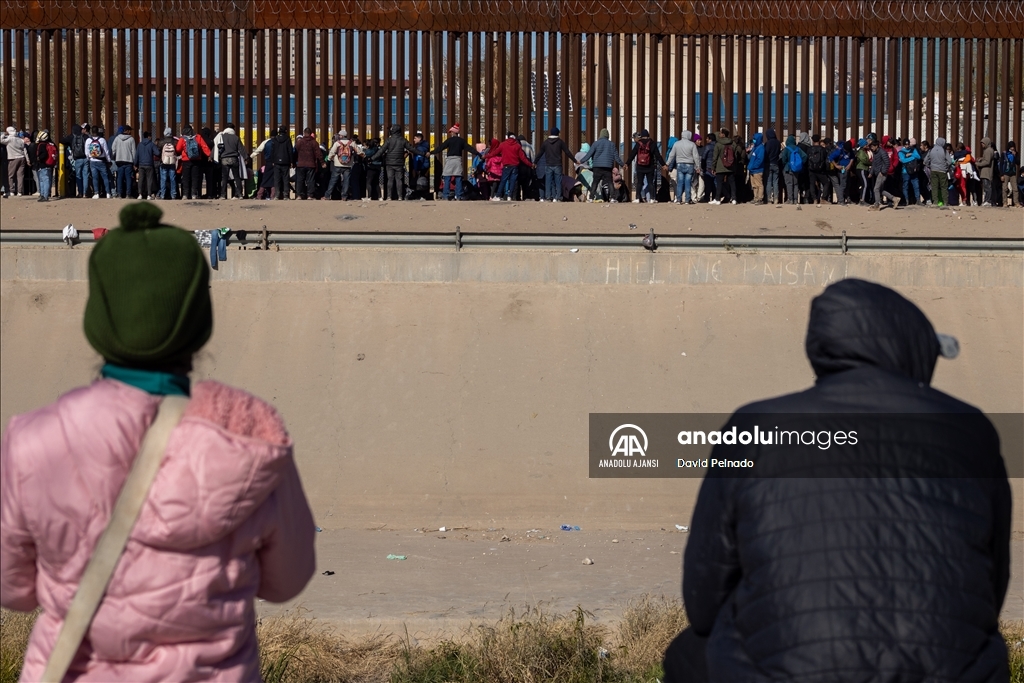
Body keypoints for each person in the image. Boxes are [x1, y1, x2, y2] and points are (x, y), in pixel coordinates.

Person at [0, 202, 316, 681]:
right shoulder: (252, 437)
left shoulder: (32, 440)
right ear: (198, 323)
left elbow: (14, 589)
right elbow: (287, 580)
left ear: (99, 320)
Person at [663, 278, 1011, 683]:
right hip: (950, 673)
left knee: (692, 652)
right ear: (913, 348)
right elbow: (993, 587)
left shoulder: (755, 425)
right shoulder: (972, 430)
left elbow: (703, 601)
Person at [574, 129, 622, 203]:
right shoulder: (612, 144)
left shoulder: (596, 143)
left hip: (597, 166)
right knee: (610, 182)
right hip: (608, 167)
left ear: (600, 135)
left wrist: (581, 161)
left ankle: (591, 198)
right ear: (607, 136)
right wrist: (622, 164)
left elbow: (589, 154)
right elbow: (616, 157)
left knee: (595, 182)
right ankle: (612, 198)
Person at [373, 124, 418, 201]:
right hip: (399, 163)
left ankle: (389, 196)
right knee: (399, 180)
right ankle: (400, 196)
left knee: (390, 180)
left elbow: (381, 151)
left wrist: (372, 158)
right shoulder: (403, 140)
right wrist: (423, 153)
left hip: (389, 163)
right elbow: (412, 149)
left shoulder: (389, 140)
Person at [486, 131, 535, 201]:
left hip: (506, 165)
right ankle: (510, 196)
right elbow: (523, 158)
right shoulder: (517, 146)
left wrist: (485, 156)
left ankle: (498, 196)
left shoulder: (503, 144)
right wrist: (530, 165)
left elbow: (495, 153)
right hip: (515, 166)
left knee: (503, 181)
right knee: (513, 181)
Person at [430, 123, 474, 201]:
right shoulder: (461, 141)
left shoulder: (449, 140)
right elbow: (470, 148)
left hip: (450, 160)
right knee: (458, 178)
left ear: (453, 132)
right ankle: (459, 196)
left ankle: (445, 195)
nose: (450, 133)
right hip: (458, 160)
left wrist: (431, 152)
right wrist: (478, 154)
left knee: (447, 177)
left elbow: (440, 148)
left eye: (451, 132)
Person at [625, 129, 666, 203]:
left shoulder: (638, 143)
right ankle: (652, 198)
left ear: (642, 136)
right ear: (648, 135)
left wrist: (627, 163)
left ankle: (637, 198)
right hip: (650, 166)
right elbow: (658, 155)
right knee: (650, 182)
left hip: (640, 166)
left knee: (639, 183)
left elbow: (632, 154)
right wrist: (663, 164)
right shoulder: (652, 143)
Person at [537, 127, 576, 202]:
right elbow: (567, 152)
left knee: (548, 181)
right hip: (558, 164)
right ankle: (558, 197)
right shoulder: (560, 142)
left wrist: (535, 162)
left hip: (548, 164)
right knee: (558, 182)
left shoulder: (546, 142)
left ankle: (548, 197)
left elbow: (540, 153)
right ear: (558, 133)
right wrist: (574, 160)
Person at [708, 128, 743, 205]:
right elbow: (736, 155)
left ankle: (717, 199)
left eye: (720, 133)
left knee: (719, 183)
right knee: (732, 183)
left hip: (720, 166)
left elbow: (715, 157)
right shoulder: (732, 143)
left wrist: (713, 167)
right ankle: (734, 199)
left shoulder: (718, 144)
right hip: (731, 167)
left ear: (723, 134)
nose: (719, 134)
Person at [174, 125, 210, 200]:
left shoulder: (183, 138)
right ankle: (194, 194)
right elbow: (204, 147)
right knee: (195, 178)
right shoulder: (198, 137)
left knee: (186, 178)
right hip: (196, 160)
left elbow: (178, 149)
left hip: (186, 160)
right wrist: (209, 155)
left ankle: (185, 195)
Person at [324, 129, 361, 201]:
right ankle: (344, 196)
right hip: (348, 165)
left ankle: (327, 195)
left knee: (333, 180)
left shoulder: (337, 143)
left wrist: (328, 160)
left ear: (341, 136)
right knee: (346, 181)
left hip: (337, 164)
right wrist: (365, 157)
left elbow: (332, 152)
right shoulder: (351, 143)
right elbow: (359, 151)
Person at [213, 123, 247, 200]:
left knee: (224, 178)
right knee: (237, 177)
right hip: (234, 158)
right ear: (233, 129)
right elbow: (241, 149)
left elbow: (216, 148)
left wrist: (214, 157)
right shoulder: (236, 137)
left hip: (224, 159)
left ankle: (223, 195)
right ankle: (239, 194)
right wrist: (246, 158)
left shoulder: (221, 136)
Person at [667, 130, 701, 205]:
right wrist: (698, 166)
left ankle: (678, 199)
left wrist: (667, 163)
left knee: (680, 182)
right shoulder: (692, 144)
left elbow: (672, 155)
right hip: (690, 164)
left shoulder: (677, 144)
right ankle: (687, 200)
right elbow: (696, 156)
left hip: (679, 164)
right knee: (688, 182)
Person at [868, 138, 899, 210]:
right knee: (880, 190)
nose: (871, 148)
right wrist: (871, 173)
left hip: (882, 173)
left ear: (876, 146)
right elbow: (874, 164)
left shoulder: (882, 152)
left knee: (876, 189)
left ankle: (877, 205)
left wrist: (883, 172)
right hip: (877, 173)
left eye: (872, 146)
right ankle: (894, 199)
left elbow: (887, 163)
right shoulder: (875, 153)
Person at [86, 126, 114, 199]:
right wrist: (109, 161)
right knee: (105, 177)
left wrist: (89, 158)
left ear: (91, 131)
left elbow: (86, 152)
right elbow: (106, 151)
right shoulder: (102, 140)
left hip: (92, 161)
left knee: (95, 178)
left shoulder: (88, 140)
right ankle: (108, 193)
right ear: (98, 131)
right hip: (101, 161)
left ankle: (96, 193)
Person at [293, 127, 321, 200]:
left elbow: (295, 152)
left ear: (304, 133)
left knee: (300, 180)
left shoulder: (299, 142)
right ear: (310, 133)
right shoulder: (314, 143)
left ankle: (299, 195)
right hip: (311, 164)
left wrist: (293, 162)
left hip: (300, 164)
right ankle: (310, 195)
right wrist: (322, 162)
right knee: (310, 180)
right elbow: (318, 153)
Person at [110, 125, 137, 199]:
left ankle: (119, 194)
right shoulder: (131, 139)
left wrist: (116, 155)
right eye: (130, 130)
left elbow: (113, 149)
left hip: (119, 160)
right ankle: (128, 194)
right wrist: (134, 162)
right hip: (128, 161)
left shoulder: (117, 138)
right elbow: (134, 151)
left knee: (119, 177)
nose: (131, 132)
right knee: (128, 178)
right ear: (127, 131)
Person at [1, 126, 28, 196]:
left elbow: (1, 140)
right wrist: (27, 159)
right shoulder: (20, 140)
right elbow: (24, 150)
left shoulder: (9, 139)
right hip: (22, 158)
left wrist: (4, 134)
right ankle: (20, 191)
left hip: (13, 158)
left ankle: (11, 191)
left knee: (11, 175)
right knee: (20, 176)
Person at [269, 126, 294, 200]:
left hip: (276, 161)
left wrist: (272, 161)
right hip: (285, 161)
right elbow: (290, 151)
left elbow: (272, 151)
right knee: (286, 179)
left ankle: (277, 195)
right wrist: (291, 161)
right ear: (285, 131)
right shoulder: (288, 139)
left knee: (277, 179)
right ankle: (286, 195)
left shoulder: (275, 139)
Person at [780, 135, 805, 205]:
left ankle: (790, 199)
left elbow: (783, 159)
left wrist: (786, 164)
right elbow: (805, 156)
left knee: (789, 184)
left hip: (788, 168)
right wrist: (800, 163)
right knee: (795, 184)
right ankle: (795, 199)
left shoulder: (786, 149)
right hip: (796, 168)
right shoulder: (798, 148)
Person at [806, 134, 829, 205]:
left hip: (811, 169)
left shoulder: (809, 149)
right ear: (819, 140)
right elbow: (825, 159)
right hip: (821, 170)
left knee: (812, 184)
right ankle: (823, 198)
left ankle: (814, 199)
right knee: (826, 183)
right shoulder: (822, 149)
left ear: (812, 140)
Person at [156, 127, 179, 200]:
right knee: (173, 178)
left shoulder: (161, 141)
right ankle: (173, 195)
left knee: (163, 179)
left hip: (164, 162)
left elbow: (158, 150)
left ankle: (162, 195)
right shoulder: (174, 141)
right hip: (172, 162)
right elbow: (177, 150)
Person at [134, 131, 158, 200]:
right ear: (148, 137)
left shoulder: (139, 145)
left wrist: (135, 164)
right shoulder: (151, 144)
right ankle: (149, 195)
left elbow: (137, 155)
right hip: (149, 164)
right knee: (149, 179)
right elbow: (157, 153)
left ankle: (140, 194)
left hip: (141, 164)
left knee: (140, 179)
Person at [898, 138, 922, 205]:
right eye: (906, 145)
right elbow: (903, 160)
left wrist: (911, 155)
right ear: (903, 145)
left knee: (916, 186)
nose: (907, 146)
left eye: (908, 144)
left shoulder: (913, 149)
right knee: (905, 186)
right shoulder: (901, 152)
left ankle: (918, 200)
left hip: (914, 171)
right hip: (905, 171)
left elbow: (918, 157)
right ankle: (906, 200)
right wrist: (912, 157)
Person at [975, 137, 996, 207]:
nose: (982, 145)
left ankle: (988, 201)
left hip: (986, 172)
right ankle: (987, 200)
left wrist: (978, 164)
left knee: (987, 187)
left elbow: (987, 161)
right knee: (986, 187)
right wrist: (981, 159)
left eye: (983, 143)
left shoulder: (988, 150)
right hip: (985, 172)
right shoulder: (988, 150)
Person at [745, 133, 765, 204]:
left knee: (759, 184)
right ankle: (755, 198)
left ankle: (760, 199)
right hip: (752, 169)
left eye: (755, 139)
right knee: (754, 185)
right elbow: (750, 157)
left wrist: (754, 166)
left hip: (757, 170)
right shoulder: (755, 147)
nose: (754, 140)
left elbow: (760, 160)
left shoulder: (761, 148)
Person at [763, 129, 781, 204]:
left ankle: (769, 199)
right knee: (775, 182)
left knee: (769, 182)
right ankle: (776, 198)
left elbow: (766, 153)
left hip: (769, 164)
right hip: (776, 163)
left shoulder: (768, 143)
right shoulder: (778, 142)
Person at [854, 138, 872, 205]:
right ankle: (862, 200)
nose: (867, 145)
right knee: (865, 184)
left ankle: (862, 199)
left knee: (864, 184)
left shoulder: (864, 151)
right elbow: (864, 161)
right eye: (866, 144)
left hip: (864, 169)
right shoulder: (861, 152)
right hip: (861, 169)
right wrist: (871, 163)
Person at [1004, 141, 1018, 207]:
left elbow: (1018, 162)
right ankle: (1005, 202)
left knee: (1015, 188)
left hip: (1013, 173)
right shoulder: (1005, 154)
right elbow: (1001, 164)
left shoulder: (1016, 153)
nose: (1012, 148)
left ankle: (1016, 202)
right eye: (1011, 147)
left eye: (1013, 147)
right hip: (1006, 172)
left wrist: (1015, 156)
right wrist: (1001, 174)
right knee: (1004, 188)